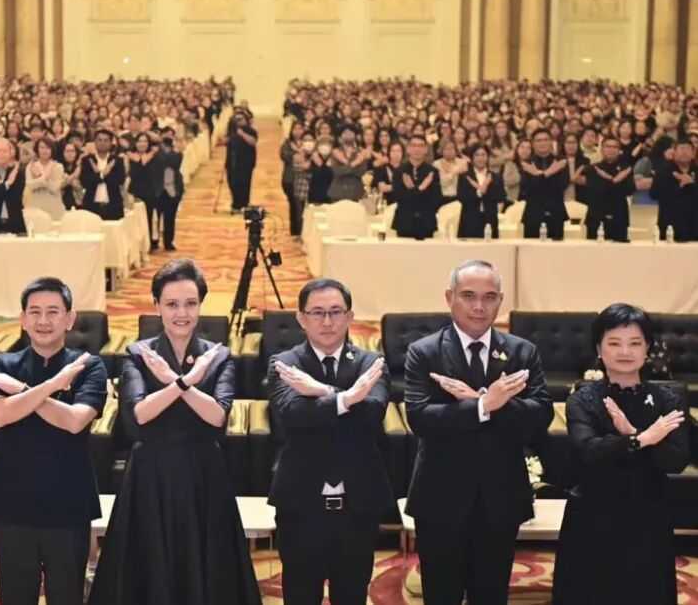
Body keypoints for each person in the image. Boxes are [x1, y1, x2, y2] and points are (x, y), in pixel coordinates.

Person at [89, 259, 262, 605]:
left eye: (190, 303)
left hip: (203, 471)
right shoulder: (138, 353)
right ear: (156, 306)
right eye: (171, 304)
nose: (181, 313)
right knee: (147, 565)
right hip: (150, 472)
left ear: (200, 305)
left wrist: (174, 383)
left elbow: (218, 416)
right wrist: (184, 383)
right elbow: (138, 415)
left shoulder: (218, 356)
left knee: (208, 567)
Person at [404, 259, 553, 605]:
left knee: (491, 595)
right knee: (441, 595)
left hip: (500, 497)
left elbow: (539, 417)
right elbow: (420, 418)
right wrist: (486, 405)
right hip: (440, 496)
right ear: (449, 297)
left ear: (500, 300)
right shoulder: (424, 352)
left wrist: (480, 400)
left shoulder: (522, 352)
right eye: (468, 295)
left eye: (489, 297)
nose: (478, 306)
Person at [0, 277, 107, 605]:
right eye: (34, 312)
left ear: (70, 318)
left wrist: (22, 392)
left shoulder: (88, 366)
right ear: (22, 319)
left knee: (67, 597)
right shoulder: (2, 364)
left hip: (69, 504)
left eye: (53, 312)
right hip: (13, 504)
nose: (43, 321)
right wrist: (53, 386)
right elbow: (0, 415)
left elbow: (74, 421)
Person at [551, 303, 687, 604]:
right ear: (599, 349)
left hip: (647, 509)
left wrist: (630, 433)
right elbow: (587, 450)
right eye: (614, 343)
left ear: (647, 348)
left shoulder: (668, 399)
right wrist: (641, 440)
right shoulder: (583, 399)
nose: (625, 351)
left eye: (635, 343)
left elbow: (676, 459)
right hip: (594, 509)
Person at [267, 278, 392, 605]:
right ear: (301, 318)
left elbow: (373, 413)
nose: (327, 321)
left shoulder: (371, 363)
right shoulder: (285, 363)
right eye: (317, 312)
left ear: (350, 317)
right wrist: (349, 398)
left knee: (352, 595)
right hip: (300, 505)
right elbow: (293, 414)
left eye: (336, 312)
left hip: (357, 506)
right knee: (300, 596)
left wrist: (322, 392)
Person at [582, 137, 634, 242]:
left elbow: (629, 190)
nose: (611, 149)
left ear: (619, 151)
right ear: (601, 150)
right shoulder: (593, 169)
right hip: (596, 216)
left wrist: (609, 181)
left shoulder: (626, 169)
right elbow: (596, 189)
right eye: (608, 146)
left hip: (619, 216)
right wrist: (615, 181)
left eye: (615, 147)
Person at [520, 128, 569, 239]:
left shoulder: (561, 161)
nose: (542, 143)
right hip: (533, 213)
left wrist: (537, 175)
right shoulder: (527, 163)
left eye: (546, 139)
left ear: (551, 141)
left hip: (556, 211)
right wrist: (549, 173)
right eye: (538, 140)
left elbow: (561, 185)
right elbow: (527, 188)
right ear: (533, 144)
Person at [392, 134, 441, 239]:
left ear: (426, 149)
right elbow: (398, 197)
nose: (417, 149)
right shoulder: (400, 171)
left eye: (420, 146)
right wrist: (421, 188)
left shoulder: (432, 172)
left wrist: (411, 191)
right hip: (405, 222)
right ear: (408, 149)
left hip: (426, 222)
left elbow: (435, 200)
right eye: (414, 145)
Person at [650, 139, 698, 241]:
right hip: (669, 227)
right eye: (681, 149)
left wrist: (692, 184)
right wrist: (679, 186)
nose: (684, 152)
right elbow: (653, 194)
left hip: (694, 227)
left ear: (693, 153)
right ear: (674, 153)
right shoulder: (663, 172)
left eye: (688, 149)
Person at [456, 144, 505, 239]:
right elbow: (461, 197)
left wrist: (486, 190)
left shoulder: (495, 177)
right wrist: (479, 192)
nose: (480, 158)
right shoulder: (465, 177)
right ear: (472, 158)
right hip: (469, 220)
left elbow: (501, 197)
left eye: (483, 155)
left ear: (488, 157)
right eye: (477, 155)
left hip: (489, 219)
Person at [148, 128, 184, 251]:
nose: (168, 136)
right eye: (166, 134)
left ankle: (169, 241)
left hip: (173, 188)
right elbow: (160, 164)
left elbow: (175, 164)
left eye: (171, 135)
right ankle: (154, 241)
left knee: (170, 217)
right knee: (155, 218)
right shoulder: (154, 151)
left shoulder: (177, 152)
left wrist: (175, 151)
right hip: (158, 188)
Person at [81, 129, 125, 221]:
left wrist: (97, 176)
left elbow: (119, 180)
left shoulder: (117, 160)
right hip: (91, 206)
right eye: (99, 140)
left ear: (111, 143)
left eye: (106, 140)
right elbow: (85, 181)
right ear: (95, 142)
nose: (102, 143)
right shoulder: (87, 160)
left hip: (113, 206)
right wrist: (102, 174)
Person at [224, 109, 258, 213]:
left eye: (241, 119)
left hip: (246, 162)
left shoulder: (251, 131)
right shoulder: (232, 131)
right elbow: (227, 141)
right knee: (232, 182)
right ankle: (235, 203)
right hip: (232, 162)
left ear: (246, 120)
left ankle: (243, 203)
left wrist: (242, 134)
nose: (238, 121)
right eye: (236, 119)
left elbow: (253, 142)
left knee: (244, 183)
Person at [25, 138, 66, 221]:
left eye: (48, 148)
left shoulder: (58, 166)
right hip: (35, 206)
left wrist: (39, 176)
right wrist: (44, 177)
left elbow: (54, 188)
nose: (45, 150)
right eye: (42, 147)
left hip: (53, 206)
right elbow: (30, 185)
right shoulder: (31, 166)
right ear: (37, 149)